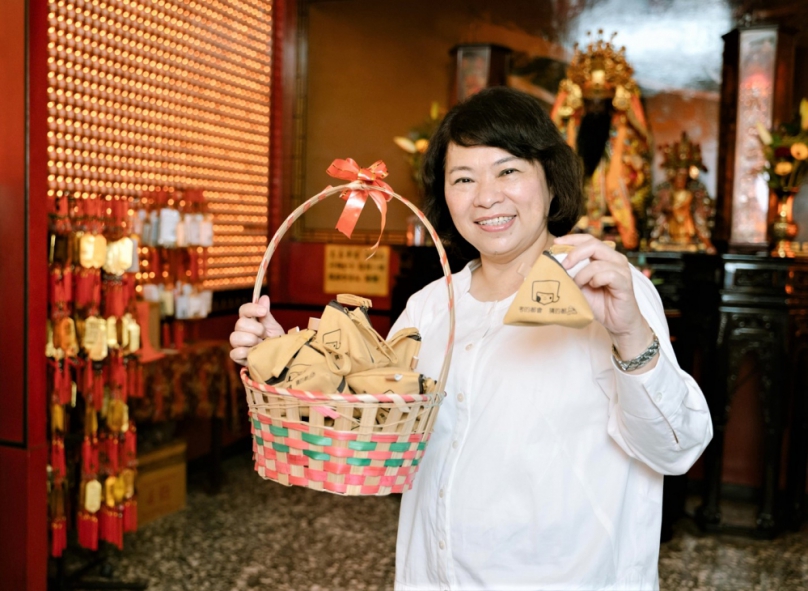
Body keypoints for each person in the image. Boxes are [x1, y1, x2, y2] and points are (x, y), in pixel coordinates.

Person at [229, 86, 712, 591]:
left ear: (551, 181)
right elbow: (374, 431)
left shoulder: (605, 288)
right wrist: (289, 356)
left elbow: (675, 449)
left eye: (508, 171)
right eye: (464, 178)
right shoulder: (430, 307)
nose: (486, 196)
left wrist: (630, 334)